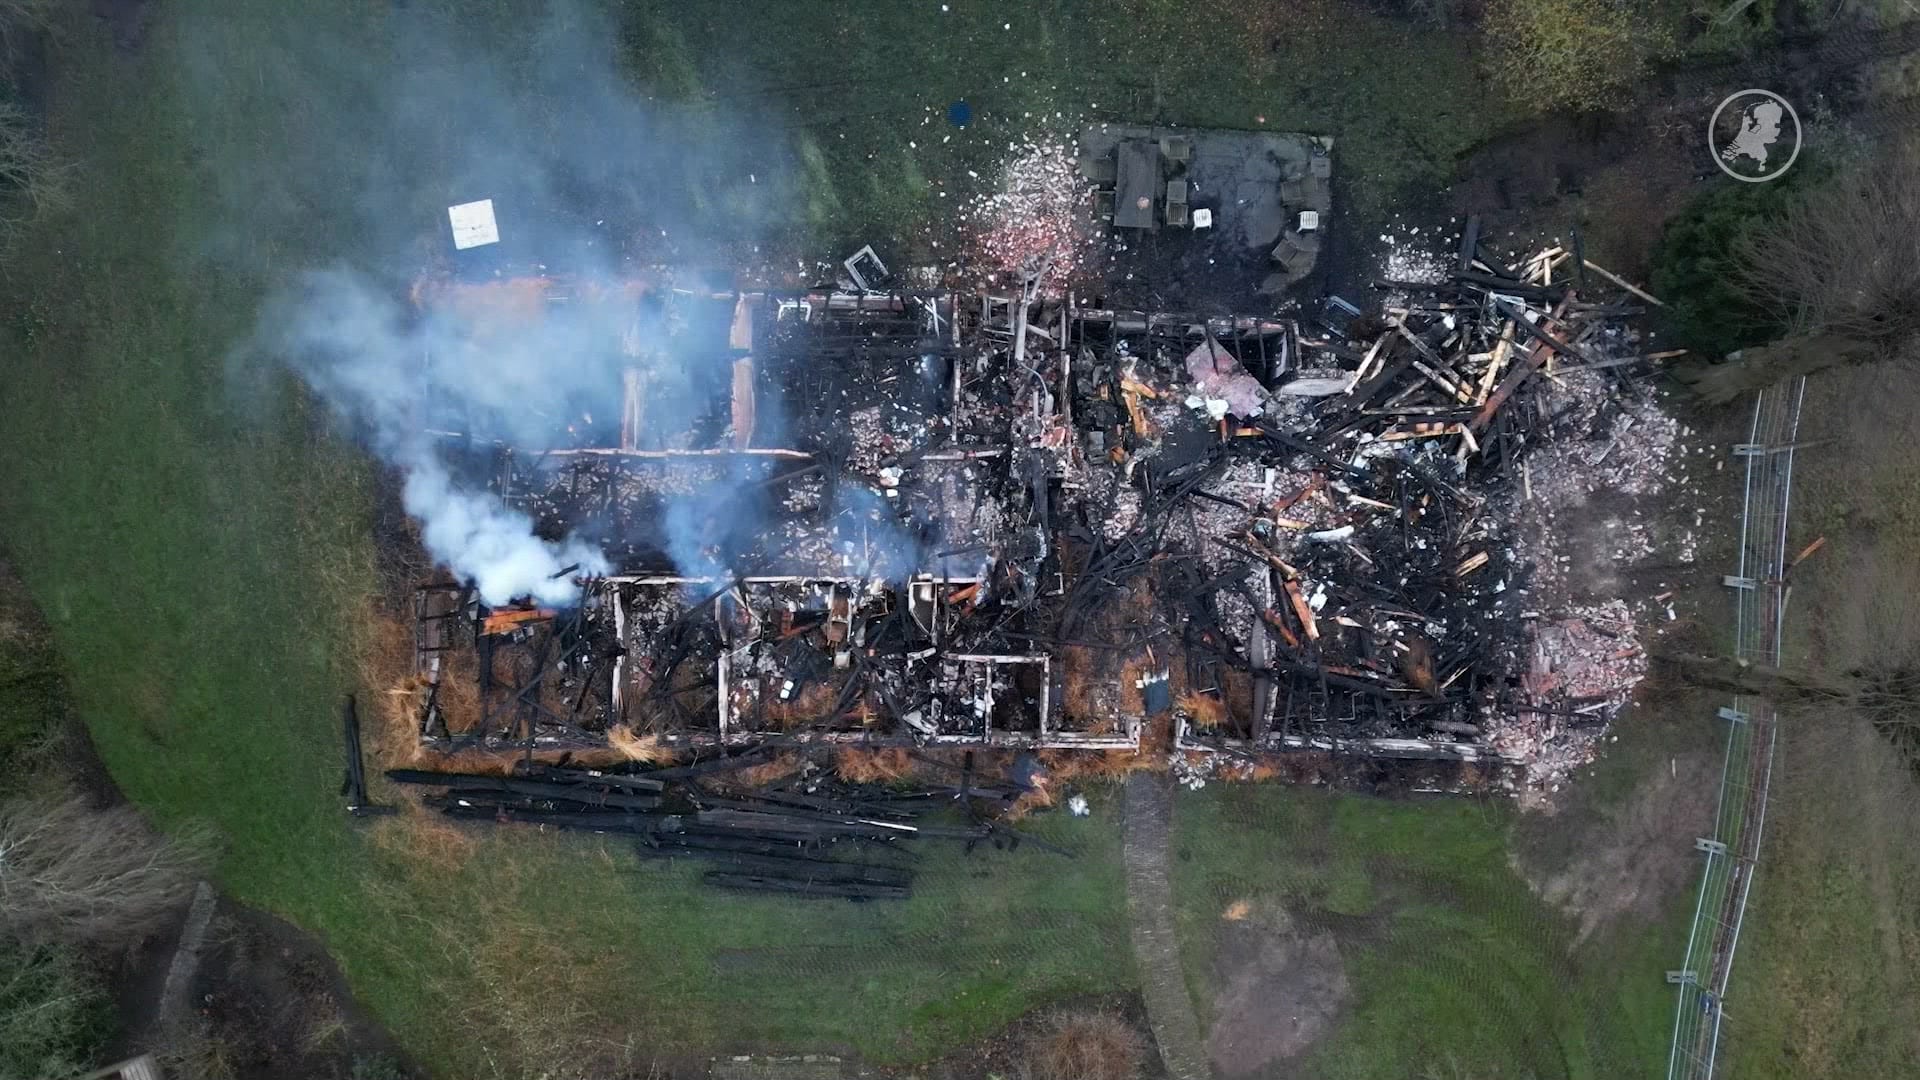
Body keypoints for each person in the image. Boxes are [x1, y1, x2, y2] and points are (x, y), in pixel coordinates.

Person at [1722, 100, 1784, 170]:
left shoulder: (1762, 155)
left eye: (1777, 123)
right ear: (1756, 127)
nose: (1777, 128)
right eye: (1773, 122)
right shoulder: (1735, 158)